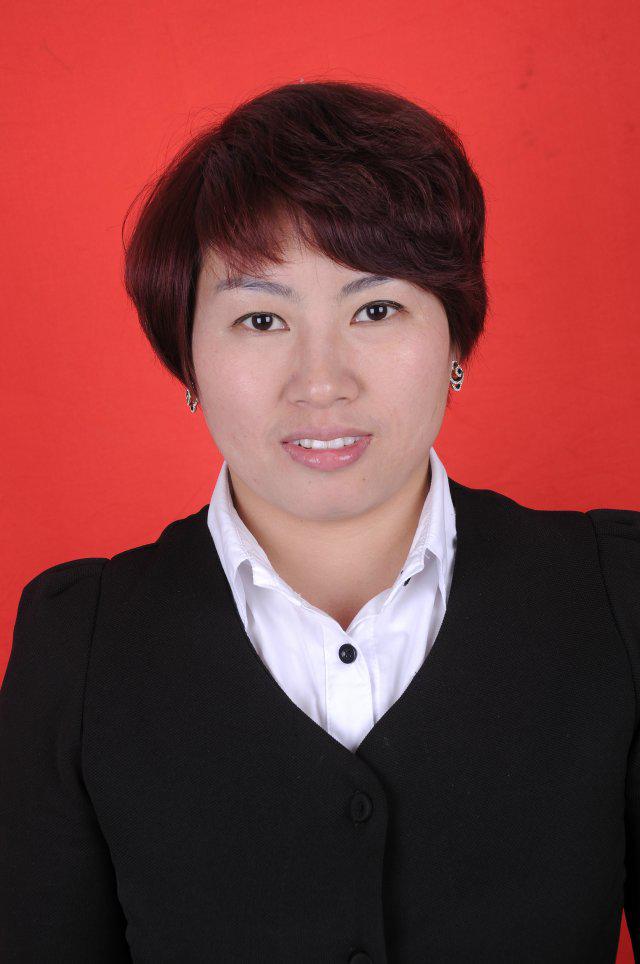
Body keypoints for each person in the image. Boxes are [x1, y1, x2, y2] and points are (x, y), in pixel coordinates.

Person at [1, 79, 638, 963]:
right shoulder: (78, 646)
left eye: (375, 309)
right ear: (188, 357)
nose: (321, 382)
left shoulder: (616, 599)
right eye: (261, 318)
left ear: (456, 337)